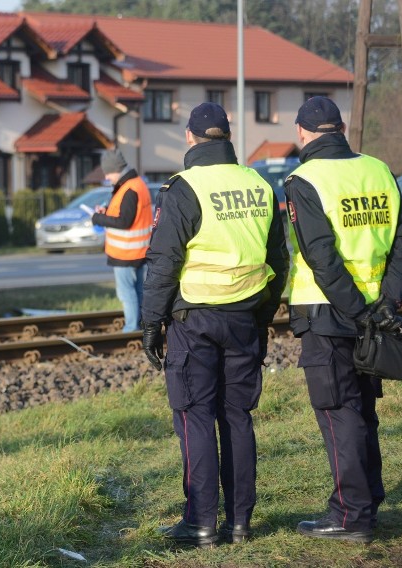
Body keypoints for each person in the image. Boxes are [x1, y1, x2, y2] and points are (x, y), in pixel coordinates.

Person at [141, 102, 289, 547]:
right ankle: (239, 522)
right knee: (237, 417)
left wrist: (151, 323)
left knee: (194, 416)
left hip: (195, 320)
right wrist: (261, 316)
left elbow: (164, 263)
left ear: (190, 138)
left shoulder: (184, 188)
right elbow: (277, 259)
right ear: (227, 137)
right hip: (245, 315)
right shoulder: (259, 183)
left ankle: (201, 522)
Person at [284, 96, 402, 543]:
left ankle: (351, 515)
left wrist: (356, 310)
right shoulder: (379, 170)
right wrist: (386, 303)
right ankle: (368, 498)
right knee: (363, 410)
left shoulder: (304, 179)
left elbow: (321, 257)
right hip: (376, 309)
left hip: (329, 313)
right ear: (341, 129)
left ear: (302, 132)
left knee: (339, 412)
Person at [91, 148, 152, 332]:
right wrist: (106, 212)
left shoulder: (129, 189)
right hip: (139, 250)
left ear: (115, 169)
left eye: (108, 173)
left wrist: (98, 218)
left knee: (127, 293)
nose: (107, 177)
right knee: (138, 291)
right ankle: (142, 326)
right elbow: (125, 214)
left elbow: (124, 221)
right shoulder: (135, 184)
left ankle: (132, 328)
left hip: (127, 252)